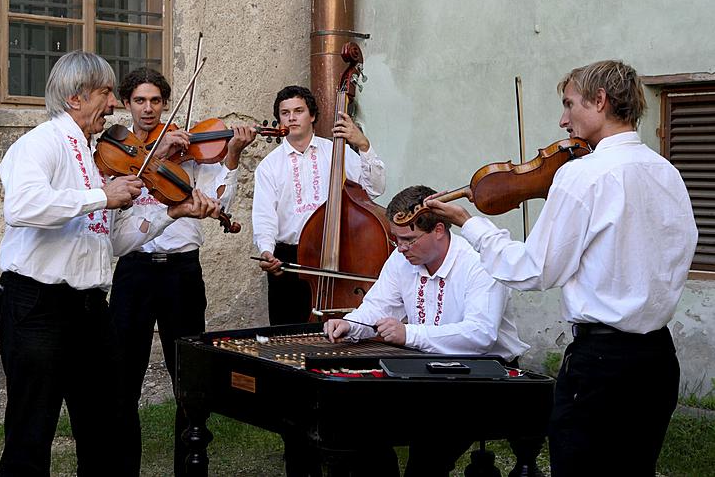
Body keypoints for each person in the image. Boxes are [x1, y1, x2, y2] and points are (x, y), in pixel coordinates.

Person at [426, 60, 698, 477]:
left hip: (601, 364)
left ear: (600, 101)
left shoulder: (583, 174)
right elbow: (681, 251)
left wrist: (471, 225)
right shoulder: (668, 172)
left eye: (569, 104)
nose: (562, 119)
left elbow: (533, 270)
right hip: (658, 360)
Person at [0, 51, 219, 476]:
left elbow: (111, 240)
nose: (114, 104)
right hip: (38, 305)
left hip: (89, 308)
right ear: (75, 98)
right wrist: (103, 196)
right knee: (32, 429)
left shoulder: (98, 156)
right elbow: (21, 206)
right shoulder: (40, 142)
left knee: (105, 426)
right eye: (105, 93)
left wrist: (171, 213)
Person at [324, 185, 540, 477]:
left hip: (485, 377)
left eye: (409, 240)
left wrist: (409, 334)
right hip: (425, 371)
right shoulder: (401, 259)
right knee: (361, 429)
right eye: (396, 240)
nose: (400, 248)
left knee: (426, 459)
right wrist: (350, 324)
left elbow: (480, 334)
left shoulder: (478, 263)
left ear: (439, 229)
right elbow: (378, 306)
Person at [108, 67, 256, 476]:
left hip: (181, 274)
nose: (148, 109)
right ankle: (123, 468)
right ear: (126, 104)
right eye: (139, 100)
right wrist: (154, 155)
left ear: (166, 104)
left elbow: (219, 197)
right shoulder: (117, 153)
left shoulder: (190, 149)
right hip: (134, 271)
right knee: (124, 377)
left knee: (187, 376)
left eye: (155, 101)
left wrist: (232, 154)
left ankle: (190, 467)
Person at [253, 85, 386, 325]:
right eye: (285, 113)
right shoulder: (269, 166)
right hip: (290, 259)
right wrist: (266, 251)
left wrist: (364, 146)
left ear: (312, 115)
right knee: (288, 336)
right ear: (279, 119)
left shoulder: (337, 151)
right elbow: (265, 217)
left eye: (298, 110)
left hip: (340, 253)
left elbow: (374, 189)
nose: (292, 117)